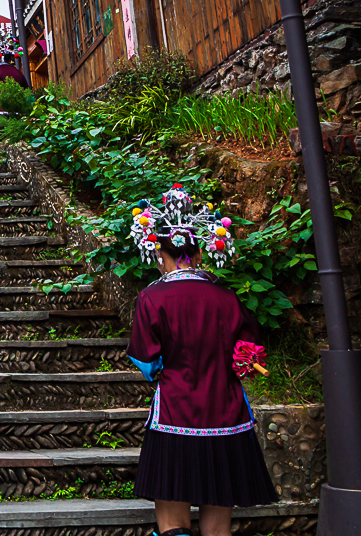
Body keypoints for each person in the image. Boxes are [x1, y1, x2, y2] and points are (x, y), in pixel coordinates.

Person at [126, 185, 276, 536]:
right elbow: (247, 353)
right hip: (227, 413)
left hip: (175, 413)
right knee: (218, 527)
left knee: (172, 523)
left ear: (162, 255)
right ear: (199, 255)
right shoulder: (226, 297)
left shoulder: (152, 297)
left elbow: (145, 358)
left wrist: (162, 370)